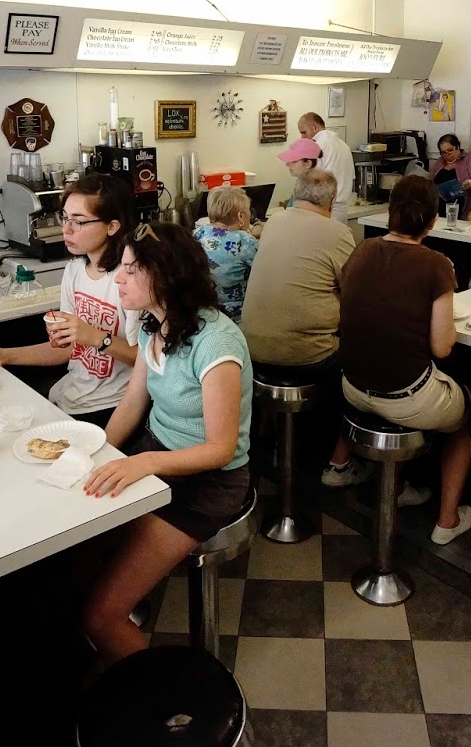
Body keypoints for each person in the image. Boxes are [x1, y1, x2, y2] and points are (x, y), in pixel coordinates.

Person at [80, 222, 253, 665]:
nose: (117, 278)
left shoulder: (216, 342)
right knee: (73, 546)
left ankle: (162, 707)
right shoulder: (151, 325)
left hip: (209, 481)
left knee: (99, 615)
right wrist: (92, 451)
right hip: (156, 455)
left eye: (131, 270)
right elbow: (132, 403)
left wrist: (145, 463)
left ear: (166, 275)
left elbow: (219, 448)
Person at [339, 176, 471, 546]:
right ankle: (447, 519)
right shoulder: (436, 265)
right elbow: (443, 347)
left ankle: (401, 483)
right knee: (469, 419)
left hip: (352, 386)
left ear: (389, 213)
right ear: (432, 221)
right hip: (403, 398)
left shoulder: (360, 250)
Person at [0, 175, 140, 430]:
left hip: (108, 408)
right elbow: (64, 348)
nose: (66, 229)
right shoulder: (74, 271)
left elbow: (146, 360)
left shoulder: (129, 281)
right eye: (65, 218)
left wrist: (96, 337)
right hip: (65, 397)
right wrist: (3, 355)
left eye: (79, 222)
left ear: (112, 226)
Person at [239, 170, 366, 487]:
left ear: (296, 194)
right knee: (364, 365)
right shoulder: (337, 233)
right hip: (306, 358)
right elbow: (353, 291)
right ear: (332, 200)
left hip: (250, 348)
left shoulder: (274, 222)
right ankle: (338, 463)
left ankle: (272, 439)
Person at [193, 186, 259, 322]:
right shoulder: (245, 242)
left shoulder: (198, 233)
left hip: (203, 309)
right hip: (235, 314)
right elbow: (264, 273)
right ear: (241, 216)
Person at [298, 112, 355, 222]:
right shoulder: (344, 145)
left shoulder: (318, 146)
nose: (302, 137)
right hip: (342, 210)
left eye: (304, 133)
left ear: (314, 127)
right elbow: (351, 176)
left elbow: (311, 181)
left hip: (323, 210)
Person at [433, 133, 471, 219]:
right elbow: (429, 181)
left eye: (450, 150)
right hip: (439, 209)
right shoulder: (439, 162)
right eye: (443, 152)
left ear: (457, 147)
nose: (447, 154)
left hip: (463, 209)